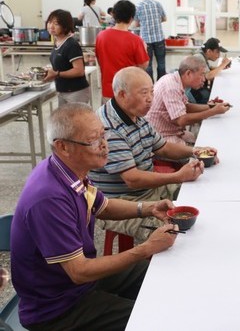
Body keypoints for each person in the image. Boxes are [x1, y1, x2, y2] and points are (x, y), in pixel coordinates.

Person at [10, 103, 178, 330]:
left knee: (160, 276)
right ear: (63, 147)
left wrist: (148, 208)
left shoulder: (69, 172)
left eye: (104, 135)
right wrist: (145, 248)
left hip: (78, 285)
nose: (104, 145)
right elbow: (79, 272)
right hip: (57, 307)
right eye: (93, 140)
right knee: (149, 321)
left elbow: (104, 206)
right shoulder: (49, 198)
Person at [89, 67, 210, 241]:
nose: (150, 99)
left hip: (148, 191)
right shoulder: (108, 128)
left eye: (152, 92)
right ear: (122, 95)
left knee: (201, 195)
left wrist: (196, 151)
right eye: (144, 93)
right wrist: (177, 176)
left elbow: (163, 147)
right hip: (123, 201)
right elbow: (132, 179)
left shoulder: (136, 114)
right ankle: (150, 267)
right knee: (175, 233)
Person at [147, 55, 231, 145]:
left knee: (196, 139)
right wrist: (213, 112)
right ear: (188, 73)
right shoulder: (171, 87)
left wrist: (211, 107)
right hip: (159, 136)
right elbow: (182, 120)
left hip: (170, 130)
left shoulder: (176, 81)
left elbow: (185, 106)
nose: (204, 79)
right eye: (202, 74)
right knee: (200, 150)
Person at [95, 0, 149, 102]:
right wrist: (144, 50)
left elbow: (99, 60)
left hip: (108, 90)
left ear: (114, 15)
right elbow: (143, 66)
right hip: (128, 92)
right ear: (131, 18)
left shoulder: (101, 36)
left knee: (106, 117)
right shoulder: (135, 40)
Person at [43, 9, 91, 106]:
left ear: (65, 26)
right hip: (63, 90)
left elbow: (79, 70)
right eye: (50, 22)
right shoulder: (57, 42)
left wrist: (57, 74)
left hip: (76, 92)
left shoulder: (71, 44)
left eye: (56, 24)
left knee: (76, 120)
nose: (51, 26)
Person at [134, 0, 167, 81]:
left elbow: (136, 24)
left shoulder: (138, 6)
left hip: (146, 40)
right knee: (161, 63)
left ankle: (150, 86)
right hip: (159, 38)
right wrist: (156, 21)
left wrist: (145, 23)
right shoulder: (158, 4)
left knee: (148, 64)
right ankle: (161, 84)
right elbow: (164, 18)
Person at [186, 37, 231, 104]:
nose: (218, 56)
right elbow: (208, 76)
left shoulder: (201, 54)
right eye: (217, 52)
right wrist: (222, 65)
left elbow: (208, 69)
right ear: (209, 51)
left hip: (196, 86)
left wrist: (221, 67)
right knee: (213, 96)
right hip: (190, 91)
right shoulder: (198, 57)